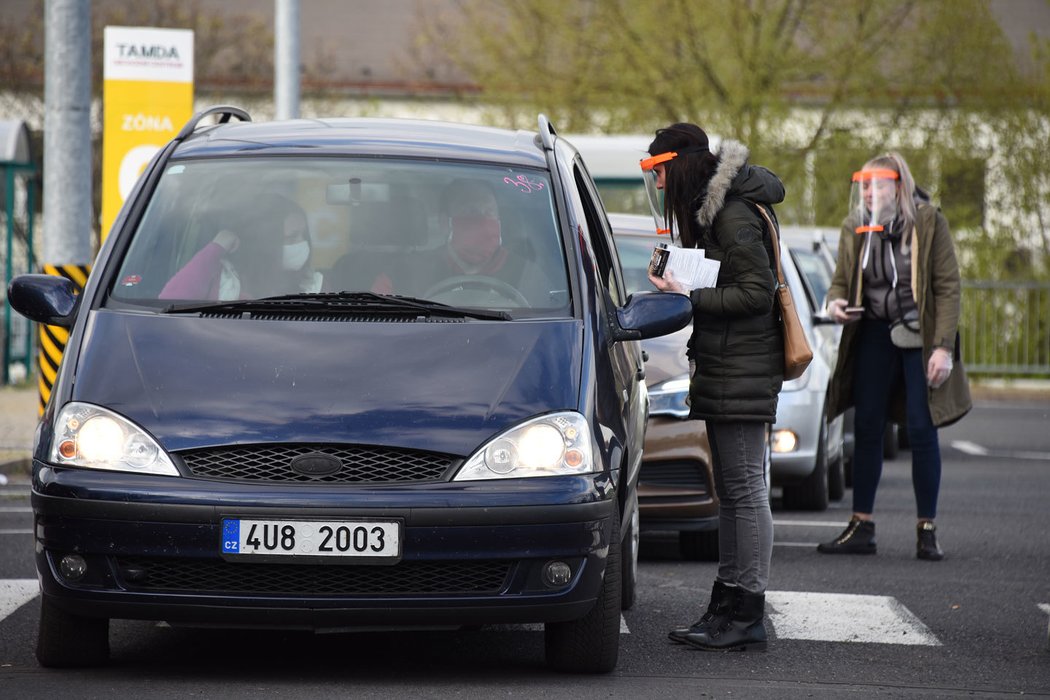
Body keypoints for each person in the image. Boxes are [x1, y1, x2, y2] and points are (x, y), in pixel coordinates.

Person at [644, 123, 785, 652]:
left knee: (746, 492)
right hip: (730, 366)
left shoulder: (730, 212)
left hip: (745, 368)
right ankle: (727, 604)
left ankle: (747, 612)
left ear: (678, 165)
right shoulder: (716, 210)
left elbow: (756, 292)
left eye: (658, 173)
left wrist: (690, 296)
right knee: (733, 493)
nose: (657, 186)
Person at [819, 152, 971, 560]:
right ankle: (861, 524)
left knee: (922, 429)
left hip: (918, 334)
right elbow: (838, 283)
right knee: (867, 425)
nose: (869, 193)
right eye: (864, 185)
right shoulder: (855, 226)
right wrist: (836, 305)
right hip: (872, 330)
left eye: (877, 185)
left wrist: (942, 347)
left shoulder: (927, 221)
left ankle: (926, 528)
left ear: (897, 186)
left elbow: (947, 287)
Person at [160, 195, 322, 300]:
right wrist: (216, 248)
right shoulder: (223, 279)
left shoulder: (315, 285)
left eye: (304, 235)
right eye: (292, 237)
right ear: (265, 242)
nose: (303, 244)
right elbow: (171, 301)